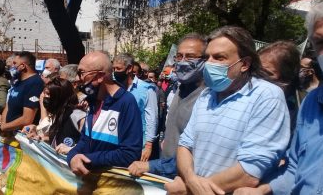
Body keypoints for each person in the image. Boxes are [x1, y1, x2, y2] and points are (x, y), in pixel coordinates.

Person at [165, 26, 290, 195]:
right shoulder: (207, 95)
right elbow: (185, 145)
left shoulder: (267, 96)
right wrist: (190, 178)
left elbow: (250, 172)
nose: (209, 63)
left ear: (244, 64)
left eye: (219, 57)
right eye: (207, 57)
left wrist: (189, 189)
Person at [234, 3, 323, 195]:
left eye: (266, 74)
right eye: (321, 43)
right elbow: (294, 169)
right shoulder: (311, 105)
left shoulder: (294, 105)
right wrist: (265, 190)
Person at [128, 33, 207, 179]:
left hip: (187, 181)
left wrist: (152, 165)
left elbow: (203, 157)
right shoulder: (180, 89)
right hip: (167, 176)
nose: (182, 62)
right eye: (179, 56)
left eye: (190, 57)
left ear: (205, 60)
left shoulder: (207, 98)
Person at [67, 51, 142, 176]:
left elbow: (130, 154)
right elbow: (84, 141)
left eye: (81, 73)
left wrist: (88, 159)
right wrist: (72, 157)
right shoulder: (92, 102)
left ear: (100, 76)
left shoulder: (126, 102)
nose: (77, 79)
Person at [112, 53, 159, 161]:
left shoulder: (146, 89)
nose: (115, 72)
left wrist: (148, 146)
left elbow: (151, 118)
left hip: (138, 144)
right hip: (116, 142)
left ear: (129, 69)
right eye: (113, 68)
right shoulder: (114, 88)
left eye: (118, 68)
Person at [24, 78, 83, 155]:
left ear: (59, 97)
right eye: (45, 94)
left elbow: (92, 145)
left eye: (48, 94)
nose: (45, 97)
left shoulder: (78, 116)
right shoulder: (58, 115)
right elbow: (57, 139)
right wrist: (41, 138)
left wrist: (72, 149)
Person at [0, 51, 44, 135]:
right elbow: (8, 106)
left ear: (23, 66)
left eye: (14, 63)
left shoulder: (35, 83)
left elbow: (27, 119)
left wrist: (3, 127)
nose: (11, 66)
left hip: (22, 136)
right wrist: (3, 124)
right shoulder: (18, 82)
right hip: (8, 134)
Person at [258, 41, 301, 133]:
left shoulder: (301, 106)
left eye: (265, 73)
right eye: (256, 70)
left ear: (287, 78)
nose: (256, 77)